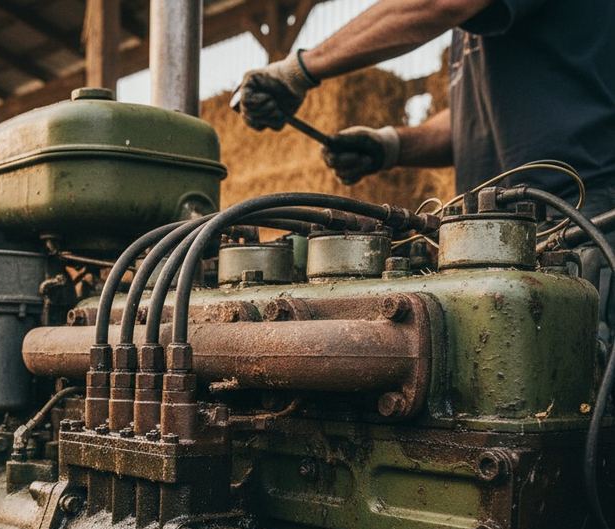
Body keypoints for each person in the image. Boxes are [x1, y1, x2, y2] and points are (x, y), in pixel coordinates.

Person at [237, 0, 615, 329]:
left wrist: (299, 69)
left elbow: (438, 3)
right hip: (498, 235)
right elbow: (474, 116)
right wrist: (392, 144)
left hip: (579, 220)